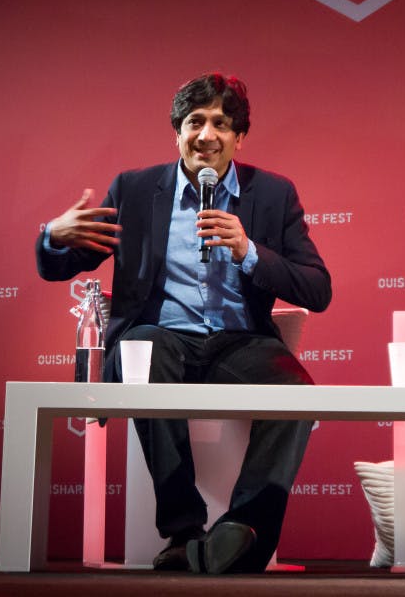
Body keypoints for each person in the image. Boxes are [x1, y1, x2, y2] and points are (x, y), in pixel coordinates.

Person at [35, 73, 331, 575]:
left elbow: (317, 289)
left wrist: (249, 252)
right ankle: (184, 531)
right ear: (177, 133)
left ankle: (243, 529)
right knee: (144, 357)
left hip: (240, 342)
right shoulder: (133, 190)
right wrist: (53, 235)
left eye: (221, 123)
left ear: (240, 137)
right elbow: (59, 266)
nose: (206, 135)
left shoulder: (273, 194)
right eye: (195, 122)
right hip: (161, 336)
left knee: (297, 390)